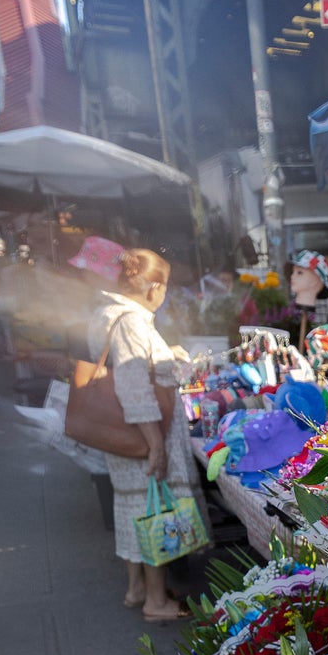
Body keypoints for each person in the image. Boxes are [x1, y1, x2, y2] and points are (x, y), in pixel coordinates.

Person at [89, 248, 198, 622]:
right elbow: (135, 387)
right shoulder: (132, 322)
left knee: (135, 510)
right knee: (156, 513)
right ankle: (157, 601)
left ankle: (137, 589)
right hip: (143, 434)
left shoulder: (108, 313)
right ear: (153, 287)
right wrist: (156, 446)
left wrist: (168, 356)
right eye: (164, 287)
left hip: (121, 435)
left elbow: (136, 369)